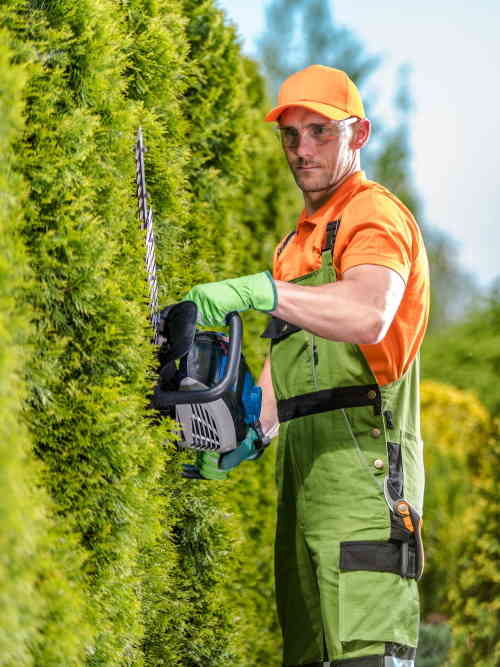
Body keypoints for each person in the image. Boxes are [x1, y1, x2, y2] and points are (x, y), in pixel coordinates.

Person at [180, 65, 430, 667]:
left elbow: (369, 313)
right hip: (304, 472)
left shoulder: (374, 216)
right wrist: (248, 430)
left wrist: (262, 292)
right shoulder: (297, 243)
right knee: (310, 652)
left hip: (366, 470)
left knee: (367, 652)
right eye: (290, 135)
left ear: (359, 134)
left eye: (320, 131)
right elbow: (288, 361)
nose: (303, 148)